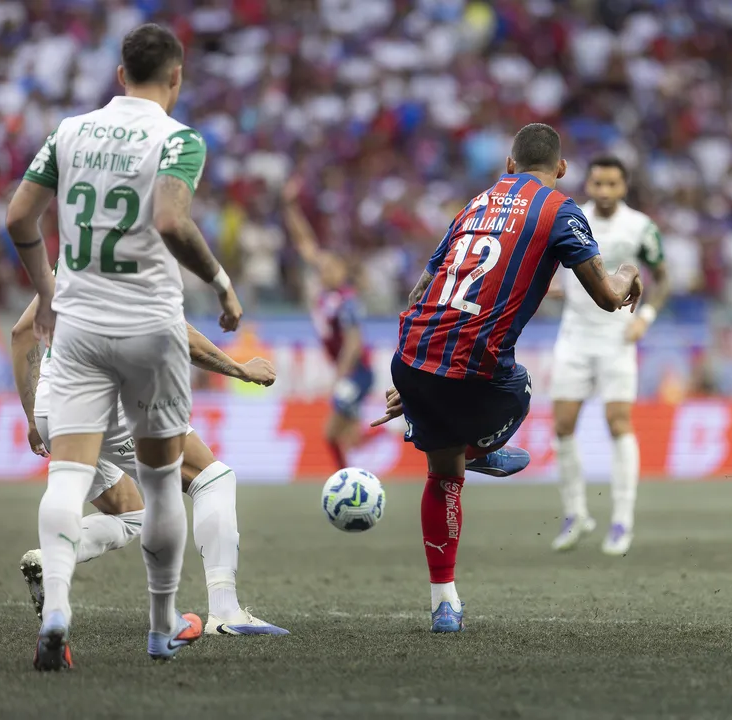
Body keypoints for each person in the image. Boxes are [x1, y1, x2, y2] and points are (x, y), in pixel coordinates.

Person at [5, 23, 243, 669]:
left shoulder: (69, 132)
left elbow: (18, 216)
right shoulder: (179, 140)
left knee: (67, 477)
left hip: (79, 332)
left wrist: (47, 291)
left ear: (119, 74)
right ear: (176, 77)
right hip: (149, 332)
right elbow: (170, 219)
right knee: (163, 488)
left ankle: (58, 610)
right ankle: (162, 628)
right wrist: (221, 283)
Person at [371, 123, 643, 633]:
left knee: (442, 477)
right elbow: (609, 297)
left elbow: (419, 292)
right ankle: (479, 448)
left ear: (510, 165)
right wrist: (629, 270)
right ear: (562, 169)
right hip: (479, 374)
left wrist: (416, 382)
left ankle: (444, 604)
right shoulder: (560, 210)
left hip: (410, 358)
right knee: (520, 389)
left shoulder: (475, 205)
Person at [10, 295, 288, 636]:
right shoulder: (130, 262)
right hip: (108, 398)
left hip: (51, 405)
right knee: (212, 479)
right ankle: (226, 611)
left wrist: (32, 418)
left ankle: (51, 560)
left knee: (128, 514)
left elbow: (22, 333)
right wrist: (239, 369)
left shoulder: (64, 266)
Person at [548, 156, 669, 556]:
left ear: (624, 186)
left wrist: (645, 318)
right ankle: (575, 513)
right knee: (563, 425)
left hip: (617, 338)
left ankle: (621, 520)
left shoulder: (640, 227)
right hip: (574, 336)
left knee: (619, 423)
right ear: (588, 184)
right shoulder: (571, 218)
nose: (603, 191)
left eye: (612, 184)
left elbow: (662, 278)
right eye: (597, 183)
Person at [282, 178, 377, 470]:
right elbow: (305, 243)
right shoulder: (326, 293)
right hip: (350, 373)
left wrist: (339, 377)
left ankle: (387, 436)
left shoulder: (346, 301)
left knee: (333, 432)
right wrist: (290, 207)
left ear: (343, 271)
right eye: (325, 267)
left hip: (357, 373)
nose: (325, 270)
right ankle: (348, 473)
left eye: (332, 267)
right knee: (341, 436)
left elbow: (354, 342)